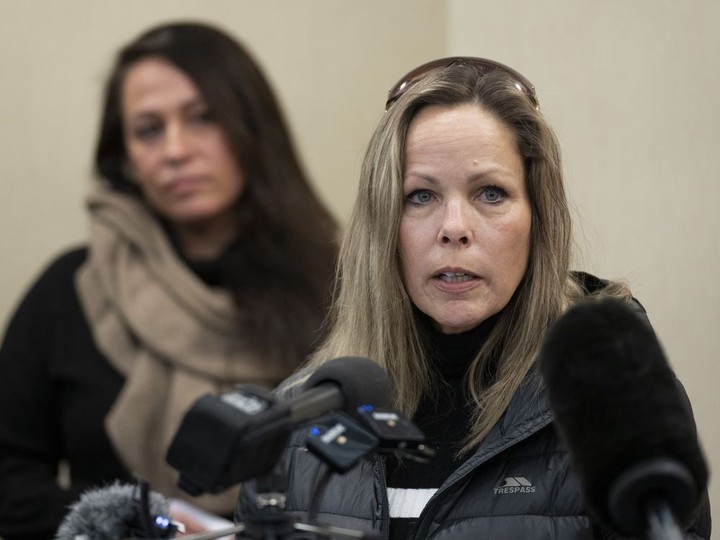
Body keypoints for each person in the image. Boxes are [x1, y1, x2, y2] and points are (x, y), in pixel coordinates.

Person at [236, 58, 711, 538]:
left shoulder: (615, 403)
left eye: (490, 193)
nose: (455, 228)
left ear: (538, 218)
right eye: (420, 196)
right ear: (384, 225)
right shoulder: (299, 421)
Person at [0, 22, 338, 540]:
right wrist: (128, 527)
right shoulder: (69, 290)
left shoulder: (336, 285)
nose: (175, 150)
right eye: (149, 129)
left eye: (203, 118)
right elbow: (9, 477)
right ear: (127, 158)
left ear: (252, 130)